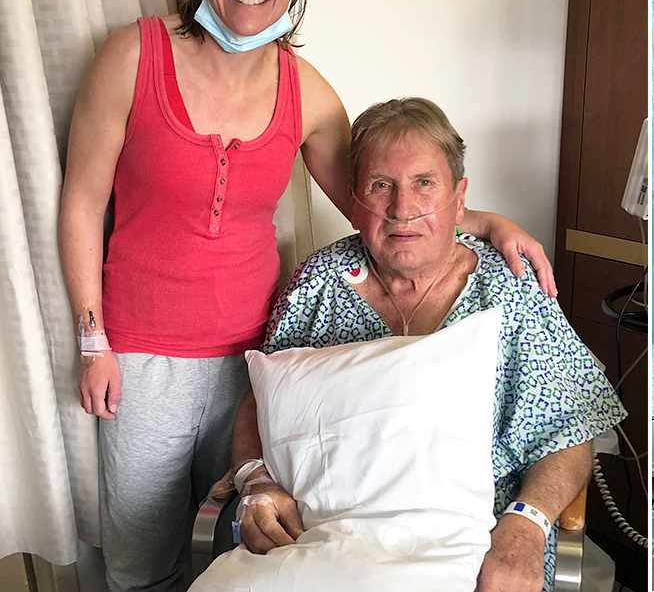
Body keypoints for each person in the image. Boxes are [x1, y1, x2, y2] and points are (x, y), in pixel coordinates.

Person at [58, 0, 552, 589]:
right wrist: (91, 338)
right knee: (141, 564)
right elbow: (79, 202)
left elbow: (377, 205)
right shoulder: (131, 58)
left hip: (257, 365)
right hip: (142, 362)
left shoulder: (309, 94)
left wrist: (484, 220)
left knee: (247, 543)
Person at [224, 97, 625, 592]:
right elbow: (260, 399)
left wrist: (526, 524)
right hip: (320, 537)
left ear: (459, 196)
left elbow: (570, 429)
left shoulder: (509, 287)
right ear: (354, 200)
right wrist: (256, 481)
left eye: (424, 183)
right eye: (381, 186)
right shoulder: (316, 283)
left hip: (483, 541)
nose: (402, 208)